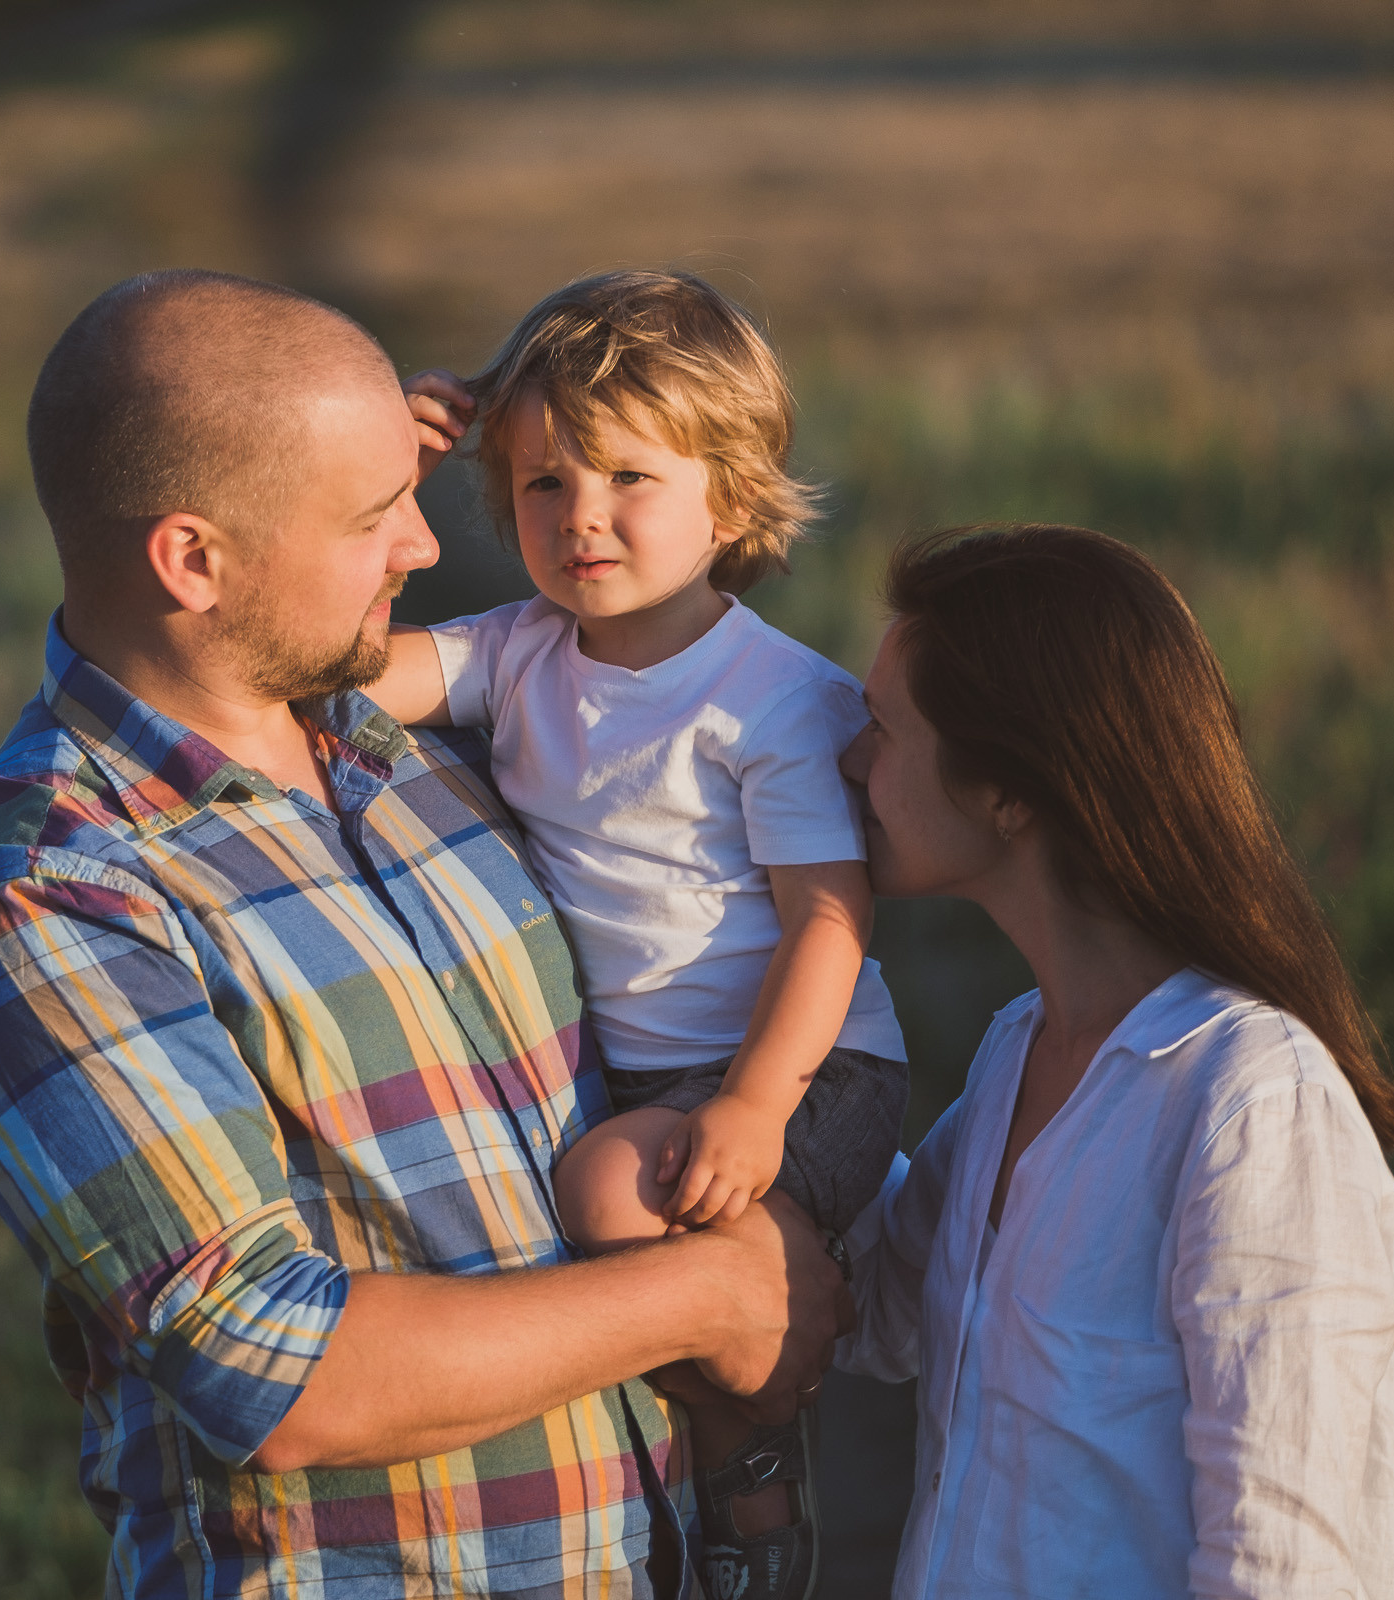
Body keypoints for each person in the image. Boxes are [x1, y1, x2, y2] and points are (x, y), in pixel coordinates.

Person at [0, 268, 851, 1600]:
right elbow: (273, 1371)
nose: (421, 546)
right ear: (192, 560)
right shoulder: (48, 892)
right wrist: (712, 1294)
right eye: (371, 517)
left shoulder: (412, 752)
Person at [372, 270, 910, 1600]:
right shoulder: (519, 651)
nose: (581, 516)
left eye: (628, 477)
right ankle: (720, 1429)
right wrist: (382, 494)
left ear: (729, 497)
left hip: (806, 1065)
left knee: (609, 1194)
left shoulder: (767, 698)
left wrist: (757, 1104)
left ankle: (756, 1465)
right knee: (605, 1199)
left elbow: (829, 921)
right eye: (543, 482)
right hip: (656, 1077)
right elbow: (350, 667)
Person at [833, 524, 1394, 1598]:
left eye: (881, 729)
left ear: (1010, 789)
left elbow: (1281, 1569)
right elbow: (876, 1305)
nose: (848, 762)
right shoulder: (1021, 1051)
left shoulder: (1254, 1105)